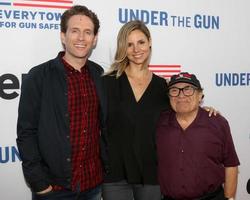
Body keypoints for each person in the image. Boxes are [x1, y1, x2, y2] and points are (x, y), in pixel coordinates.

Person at [102, 20, 217, 200]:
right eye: (129, 44)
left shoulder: (163, 86)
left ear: (149, 42)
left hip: (152, 175)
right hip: (115, 176)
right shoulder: (107, 83)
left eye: (141, 42)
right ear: (123, 48)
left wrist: (203, 111)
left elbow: (180, 113)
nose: (136, 49)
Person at [16, 5, 106, 200]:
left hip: (93, 185)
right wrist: (39, 183)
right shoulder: (38, 76)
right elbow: (26, 133)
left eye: (87, 32)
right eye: (74, 31)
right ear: (63, 36)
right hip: (54, 190)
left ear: (95, 38)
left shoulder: (100, 76)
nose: (81, 38)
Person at [156, 72, 240, 200]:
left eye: (188, 90)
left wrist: (230, 198)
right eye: (174, 90)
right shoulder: (158, 123)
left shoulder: (217, 123)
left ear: (200, 95)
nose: (181, 95)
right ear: (169, 97)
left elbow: (231, 164)